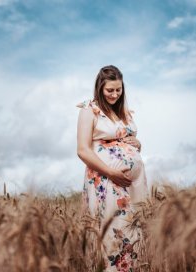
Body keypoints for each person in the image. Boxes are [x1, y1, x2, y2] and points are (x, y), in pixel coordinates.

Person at [76, 65, 148, 271]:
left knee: (132, 231)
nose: (115, 94)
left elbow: (126, 138)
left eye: (118, 90)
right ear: (100, 87)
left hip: (131, 184)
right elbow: (82, 149)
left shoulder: (123, 113)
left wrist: (137, 143)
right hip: (106, 179)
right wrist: (111, 172)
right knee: (111, 234)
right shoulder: (89, 110)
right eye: (110, 90)